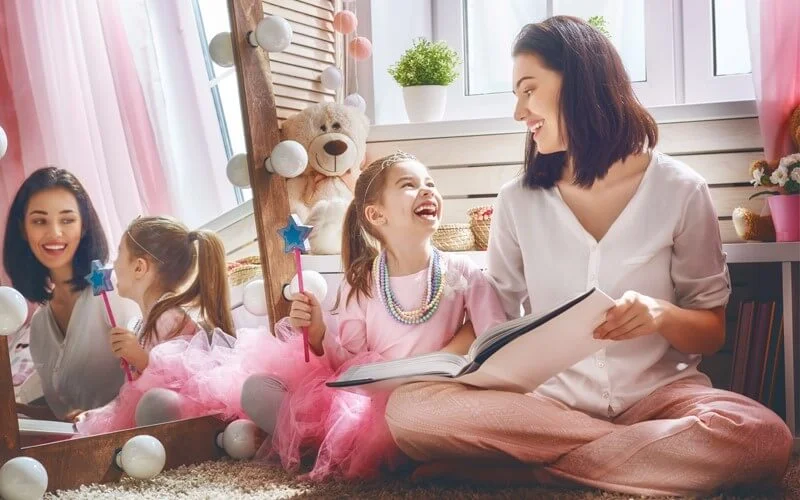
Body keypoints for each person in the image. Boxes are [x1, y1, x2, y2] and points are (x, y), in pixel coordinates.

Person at [384, 16, 793, 497]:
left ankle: (531, 472)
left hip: (662, 399)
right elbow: (493, 318)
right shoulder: (517, 199)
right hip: (547, 410)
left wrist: (659, 315)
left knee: (763, 436)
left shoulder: (681, 190)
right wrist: (425, 366)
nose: (520, 111)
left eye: (528, 90)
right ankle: (624, 458)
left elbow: (711, 326)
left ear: (578, 84)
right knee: (407, 411)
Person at [233, 151, 507, 481]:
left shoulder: (463, 271)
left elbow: (495, 337)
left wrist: (468, 342)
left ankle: (425, 457)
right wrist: (319, 334)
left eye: (430, 183)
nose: (427, 190)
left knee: (467, 421)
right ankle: (335, 449)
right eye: (409, 184)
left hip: (442, 396)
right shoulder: (360, 282)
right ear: (376, 215)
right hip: (377, 408)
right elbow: (350, 366)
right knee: (256, 389)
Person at [76, 215, 236, 434]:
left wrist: (139, 357)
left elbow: (184, 382)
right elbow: (133, 391)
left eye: (119, 254)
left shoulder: (169, 317)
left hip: (180, 416)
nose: (113, 264)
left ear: (140, 267)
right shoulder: (146, 321)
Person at [3, 167, 139, 422]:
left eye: (67, 219)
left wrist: (97, 416)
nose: (54, 233)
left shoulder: (114, 291)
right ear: (23, 229)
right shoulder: (40, 327)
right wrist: (15, 412)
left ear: (84, 225)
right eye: (40, 221)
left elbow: (152, 376)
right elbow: (67, 416)